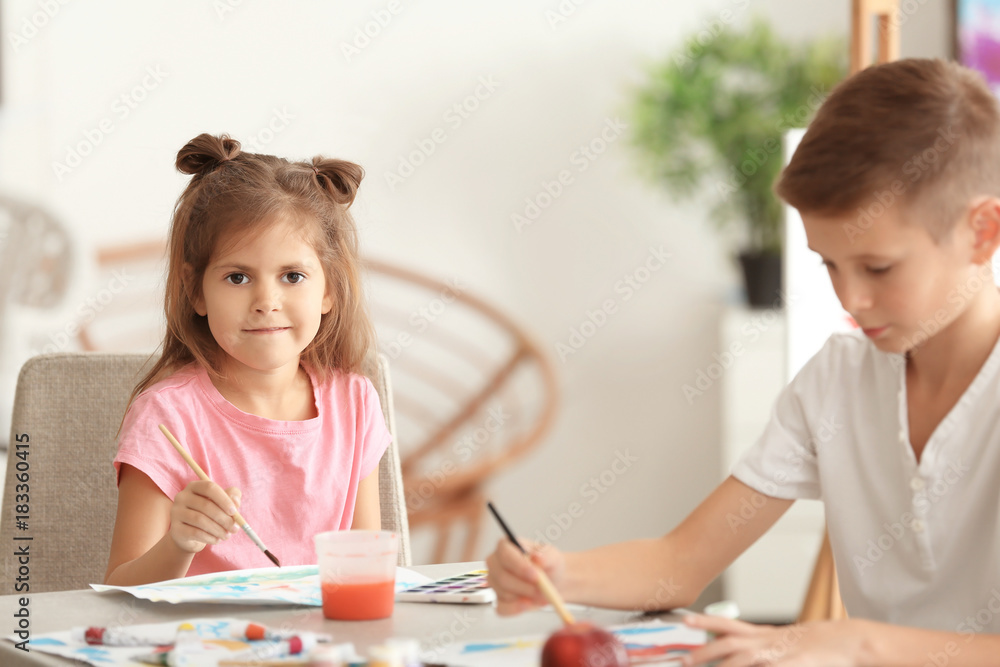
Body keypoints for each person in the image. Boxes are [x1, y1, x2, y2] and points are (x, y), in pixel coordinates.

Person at [487, 58, 1000, 665]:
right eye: (828, 264)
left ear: (982, 231)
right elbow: (681, 564)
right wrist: (557, 573)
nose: (850, 299)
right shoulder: (837, 382)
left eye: (878, 267)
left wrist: (854, 642)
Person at [104, 134, 389, 586]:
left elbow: (365, 568)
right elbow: (120, 587)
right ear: (196, 290)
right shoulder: (166, 416)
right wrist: (179, 543)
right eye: (238, 277)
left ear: (329, 289)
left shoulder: (354, 403)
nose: (266, 301)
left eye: (292, 276)